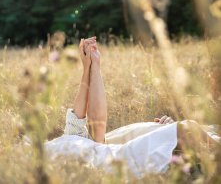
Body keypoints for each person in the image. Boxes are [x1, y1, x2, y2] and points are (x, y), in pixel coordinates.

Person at [45, 37, 220, 178]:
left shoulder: (67, 137)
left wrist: (91, 66)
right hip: (119, 161)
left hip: (114, 154)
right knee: (187, 129)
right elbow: (97, 128)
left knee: (189, 131)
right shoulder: (52, 160)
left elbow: (92, 122)